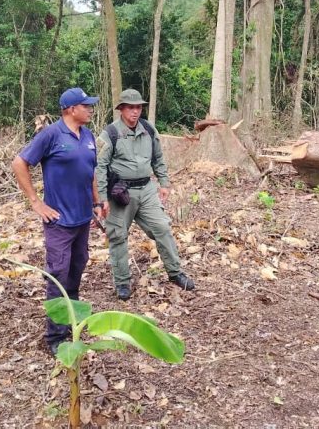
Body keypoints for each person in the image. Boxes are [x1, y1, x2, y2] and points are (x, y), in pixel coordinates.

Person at [11, 87, 105, 355]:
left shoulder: (87, 135)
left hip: (82, 218)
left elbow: (91, 171)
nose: (90, 109)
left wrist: (97, 203)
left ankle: (71, 318)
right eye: (85, 106)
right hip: (59, 222)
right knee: (58, 274)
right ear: (70, 109)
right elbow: (19, 163)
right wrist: (35, 201)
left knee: (77, 269)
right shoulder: (51, 134)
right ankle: (55, 336)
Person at [96, 89, 195, 300]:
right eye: (130, 107)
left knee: (162, 227)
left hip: (147, 189)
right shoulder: (110, 133)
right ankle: (122, 282)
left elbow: (158, 158)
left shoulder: (149, 130)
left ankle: (175, 272)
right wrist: (102, 198)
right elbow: (100, 167)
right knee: (118, 236)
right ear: (121, 109)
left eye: (138, 107)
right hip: (121, 192)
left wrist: (164, 182)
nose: (135, 111)